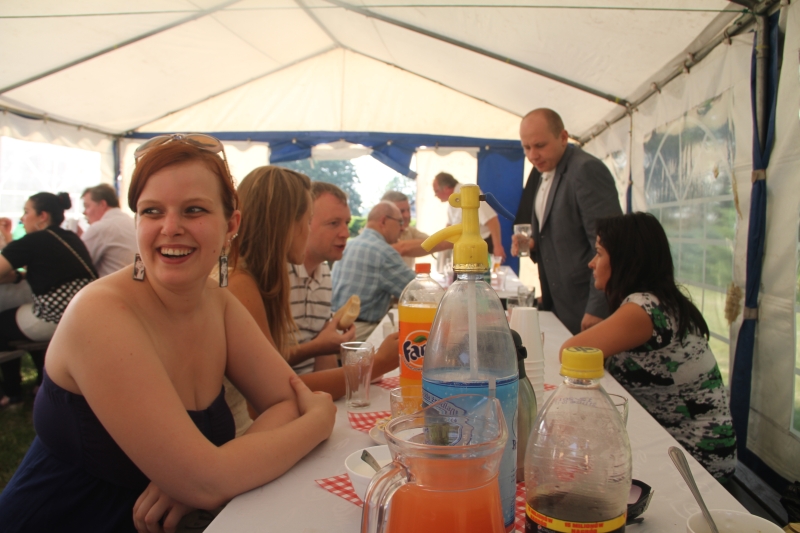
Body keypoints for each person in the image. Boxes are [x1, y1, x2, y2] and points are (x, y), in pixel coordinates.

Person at [0, 135, 336, 532]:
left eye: (194, 210)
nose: (170, 228)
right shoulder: (100, 313)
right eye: (152, 211)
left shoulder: (219, 302)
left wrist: (212, 469)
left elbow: (284, 399)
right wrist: (318, 422)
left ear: (231, 224)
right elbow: (209, 481)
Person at [561, 212, 736, 482]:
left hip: (696, 462)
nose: (591, 263)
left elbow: (570, 352)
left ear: (625, 260)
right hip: (695, 449)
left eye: (599, 253)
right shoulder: (660, 301)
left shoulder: (644, 309)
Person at [227, 168, 398, 435]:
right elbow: (267, 399)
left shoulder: (262, 277)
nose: (307, 232)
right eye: (308, 221)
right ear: (285, 224)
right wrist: (376, 364)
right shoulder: (241, 283)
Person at [512, 108, 622, 334]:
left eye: (540, 145)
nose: (533, 155)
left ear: (563, 137)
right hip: (560, 304)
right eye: (526, 147)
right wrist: (534, 245)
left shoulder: (585, 170)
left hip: (585, 305)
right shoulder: (543, 172)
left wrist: (598, 308)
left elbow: (613, 244)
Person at [0, 192, 97, 408]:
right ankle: (41, 382)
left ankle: (12, 392)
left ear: (42, 216)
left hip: (55, 317)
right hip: (83, 315)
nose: (22, 218)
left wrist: (5, 237)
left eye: (26, 212)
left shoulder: (33, 240)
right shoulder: (69, 237)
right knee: (21, 320)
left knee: (4, 323)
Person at [288, 181, 356, 374]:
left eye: (347, 223)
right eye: (333, 223)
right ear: (303, 223)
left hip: (312, 387)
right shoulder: (277, 273)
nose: (345, 233)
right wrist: (319, 346)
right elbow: (259, 362)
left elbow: (323, 358)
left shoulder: (324, 271)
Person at [332, 201, 416, 341]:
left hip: (333, 327)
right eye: (400, 222)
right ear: (383, 221)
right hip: (358, 332)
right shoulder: (384, 252)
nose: (402, 228)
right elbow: (418, 292)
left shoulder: (349, 245)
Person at [433, 172, 505, 263]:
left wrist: (497, 246)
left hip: (481, 246)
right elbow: (449, 227)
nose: (436, 195)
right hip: (466, 248)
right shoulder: (453, 200)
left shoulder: (469, 193)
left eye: (436, 191)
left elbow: (492, 219)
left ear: (446, 188)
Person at [382, 190, 452, 268]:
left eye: (408, 210)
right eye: (401, 211)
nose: (407, 215)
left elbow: (432, 242)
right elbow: (401, 248)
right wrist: (450, 243)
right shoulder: (379, 236)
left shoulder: (409, 230)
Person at [79, 183, 138, 277]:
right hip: (138, 283)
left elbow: (75, 265)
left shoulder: (100, 228)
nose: (84, 212)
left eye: (87, 206)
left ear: (102, 204)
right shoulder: (132, 222)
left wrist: (76, 241)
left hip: (113, 285)